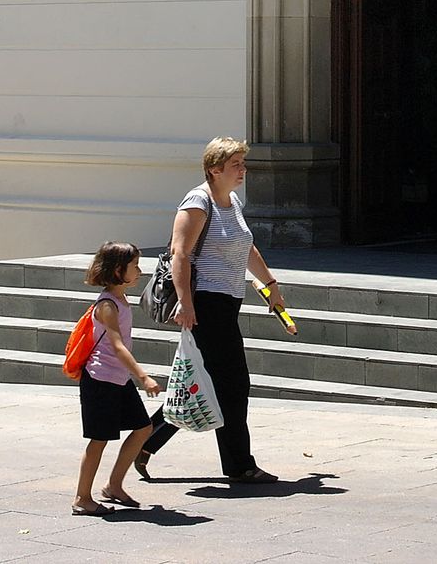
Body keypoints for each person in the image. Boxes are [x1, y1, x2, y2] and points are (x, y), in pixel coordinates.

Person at [135, 137, 287, 485]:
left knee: (206, 383)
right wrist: (187, 304)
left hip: (227, 301)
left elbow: (246, 247)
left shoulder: (231, 201)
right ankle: (240, 465)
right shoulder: (197, 201)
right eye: (236, 165)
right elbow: (180, 255)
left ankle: (145, 441)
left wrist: (271, 285)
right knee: (233, 384)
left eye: (243, 164)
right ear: (214, 168)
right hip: (206, 303)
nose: (242, 170)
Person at [71, 241, 162, 517]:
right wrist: (144, 376)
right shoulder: (107, 304)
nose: (139, 270)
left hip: (118, 379)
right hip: (100, 380)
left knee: (143, 427)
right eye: (134, 265)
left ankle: (113, 485)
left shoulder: (120, 299)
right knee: (98, 440)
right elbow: (117, 346)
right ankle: (82, 498)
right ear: (118, 270)